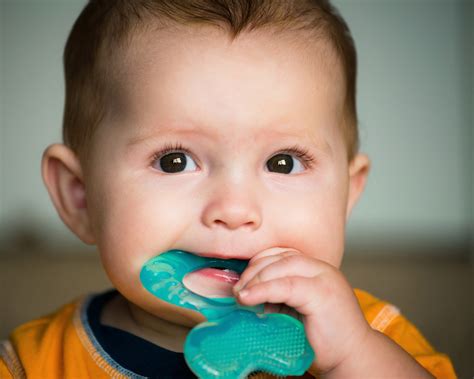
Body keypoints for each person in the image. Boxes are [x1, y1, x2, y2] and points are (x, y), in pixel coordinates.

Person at [0, 1, 456, 378]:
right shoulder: (36, 362)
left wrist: (352, 358)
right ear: (79, 195)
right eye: (174, 161)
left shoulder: (372, 339)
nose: (235, 210)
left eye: (283, 162)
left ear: (346, 195)